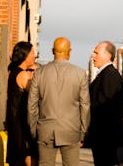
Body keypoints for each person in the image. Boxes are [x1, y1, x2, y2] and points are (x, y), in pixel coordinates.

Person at [28, 37, 90, 166]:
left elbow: (31, 105)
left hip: (45, 130)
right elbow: (85, 105)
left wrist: (34, 129)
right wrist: (83, 131)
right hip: (71, 130)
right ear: (70, 51)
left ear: (52, 51)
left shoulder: (39, 73)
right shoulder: (80, 74)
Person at [86, 41, 123, 166]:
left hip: (105, 137)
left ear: (108, 56)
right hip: (104, 136)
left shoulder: (109, 75)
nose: (93, 56)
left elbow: (103, 106)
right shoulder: (106, 74)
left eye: (96, 53)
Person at [6, 41, 39, 166]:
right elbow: (36, 95)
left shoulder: (14, 72)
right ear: (25, 55)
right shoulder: (23, 75)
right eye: (32, 53)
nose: (35, 55)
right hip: (23, 126)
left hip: (15, 124)